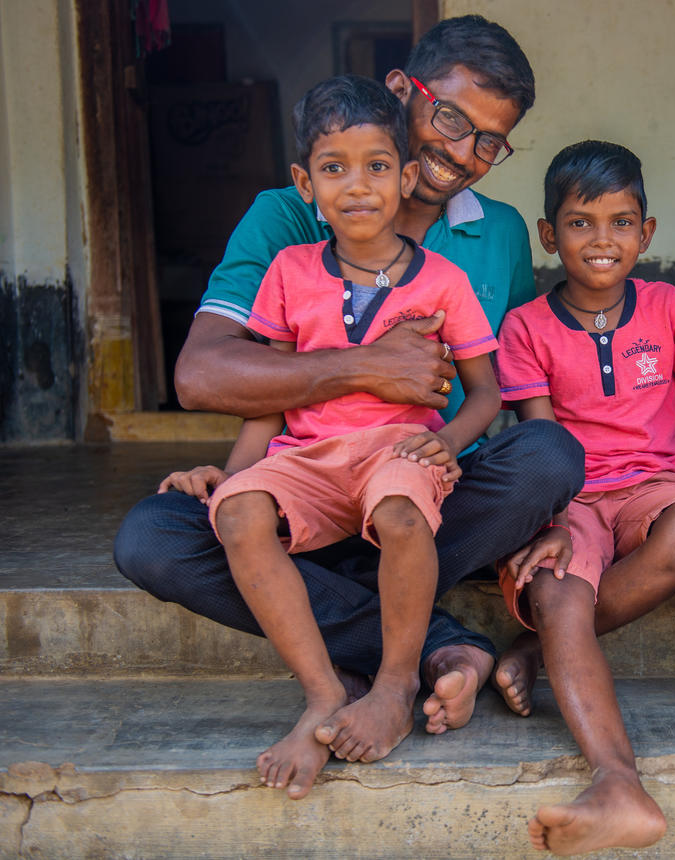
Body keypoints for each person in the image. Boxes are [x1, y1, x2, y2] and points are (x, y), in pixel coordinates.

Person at [113, 15, 585, 739]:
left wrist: (560, 522)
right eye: (450, 116)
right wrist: (363, 368)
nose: (460, 153)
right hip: (301, 488)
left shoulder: (501, 234)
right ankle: (428, 641)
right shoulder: (286, 217)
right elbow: (201, 376)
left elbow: (517, 383)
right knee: (153, 537)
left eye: (488, 141)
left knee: (549, 456)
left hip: (424, 495)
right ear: (401, 90)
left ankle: (353, 617)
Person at [159, 74, 502, 798]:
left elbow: (486, 391)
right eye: (333, 168)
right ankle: (320, 691)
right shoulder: (286, 271)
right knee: (239, 516)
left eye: (378, 166)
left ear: (405, 176)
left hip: (396, 451)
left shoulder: (442, 281)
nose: (357, 186)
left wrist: (453, 438)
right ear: (303, 183)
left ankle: (394, 683)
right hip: (306, 459)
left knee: (404, 513)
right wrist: (234, 475)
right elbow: (275, 393)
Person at [494, 141, 675, 854]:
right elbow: (543, 448)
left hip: (654, 490)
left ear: (646, 232)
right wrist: (556, 521)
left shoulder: (667, 306)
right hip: (574, 499)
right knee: (559, 587)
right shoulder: (526, 328)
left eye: (621, 222)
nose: (602, 241)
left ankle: (538, 653)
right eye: (580, 223)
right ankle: (616, 780)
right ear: (549, 235)